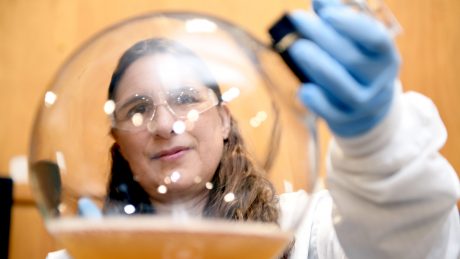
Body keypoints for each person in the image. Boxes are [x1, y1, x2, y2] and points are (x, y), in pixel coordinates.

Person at [48, 0, 460, 258]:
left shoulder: (306, 230)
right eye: (138, 109)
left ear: (225, 120)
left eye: (186, 98)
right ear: (118, 142)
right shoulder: (85, 255)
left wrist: (377, 142)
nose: (167, 125)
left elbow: (411, 246)